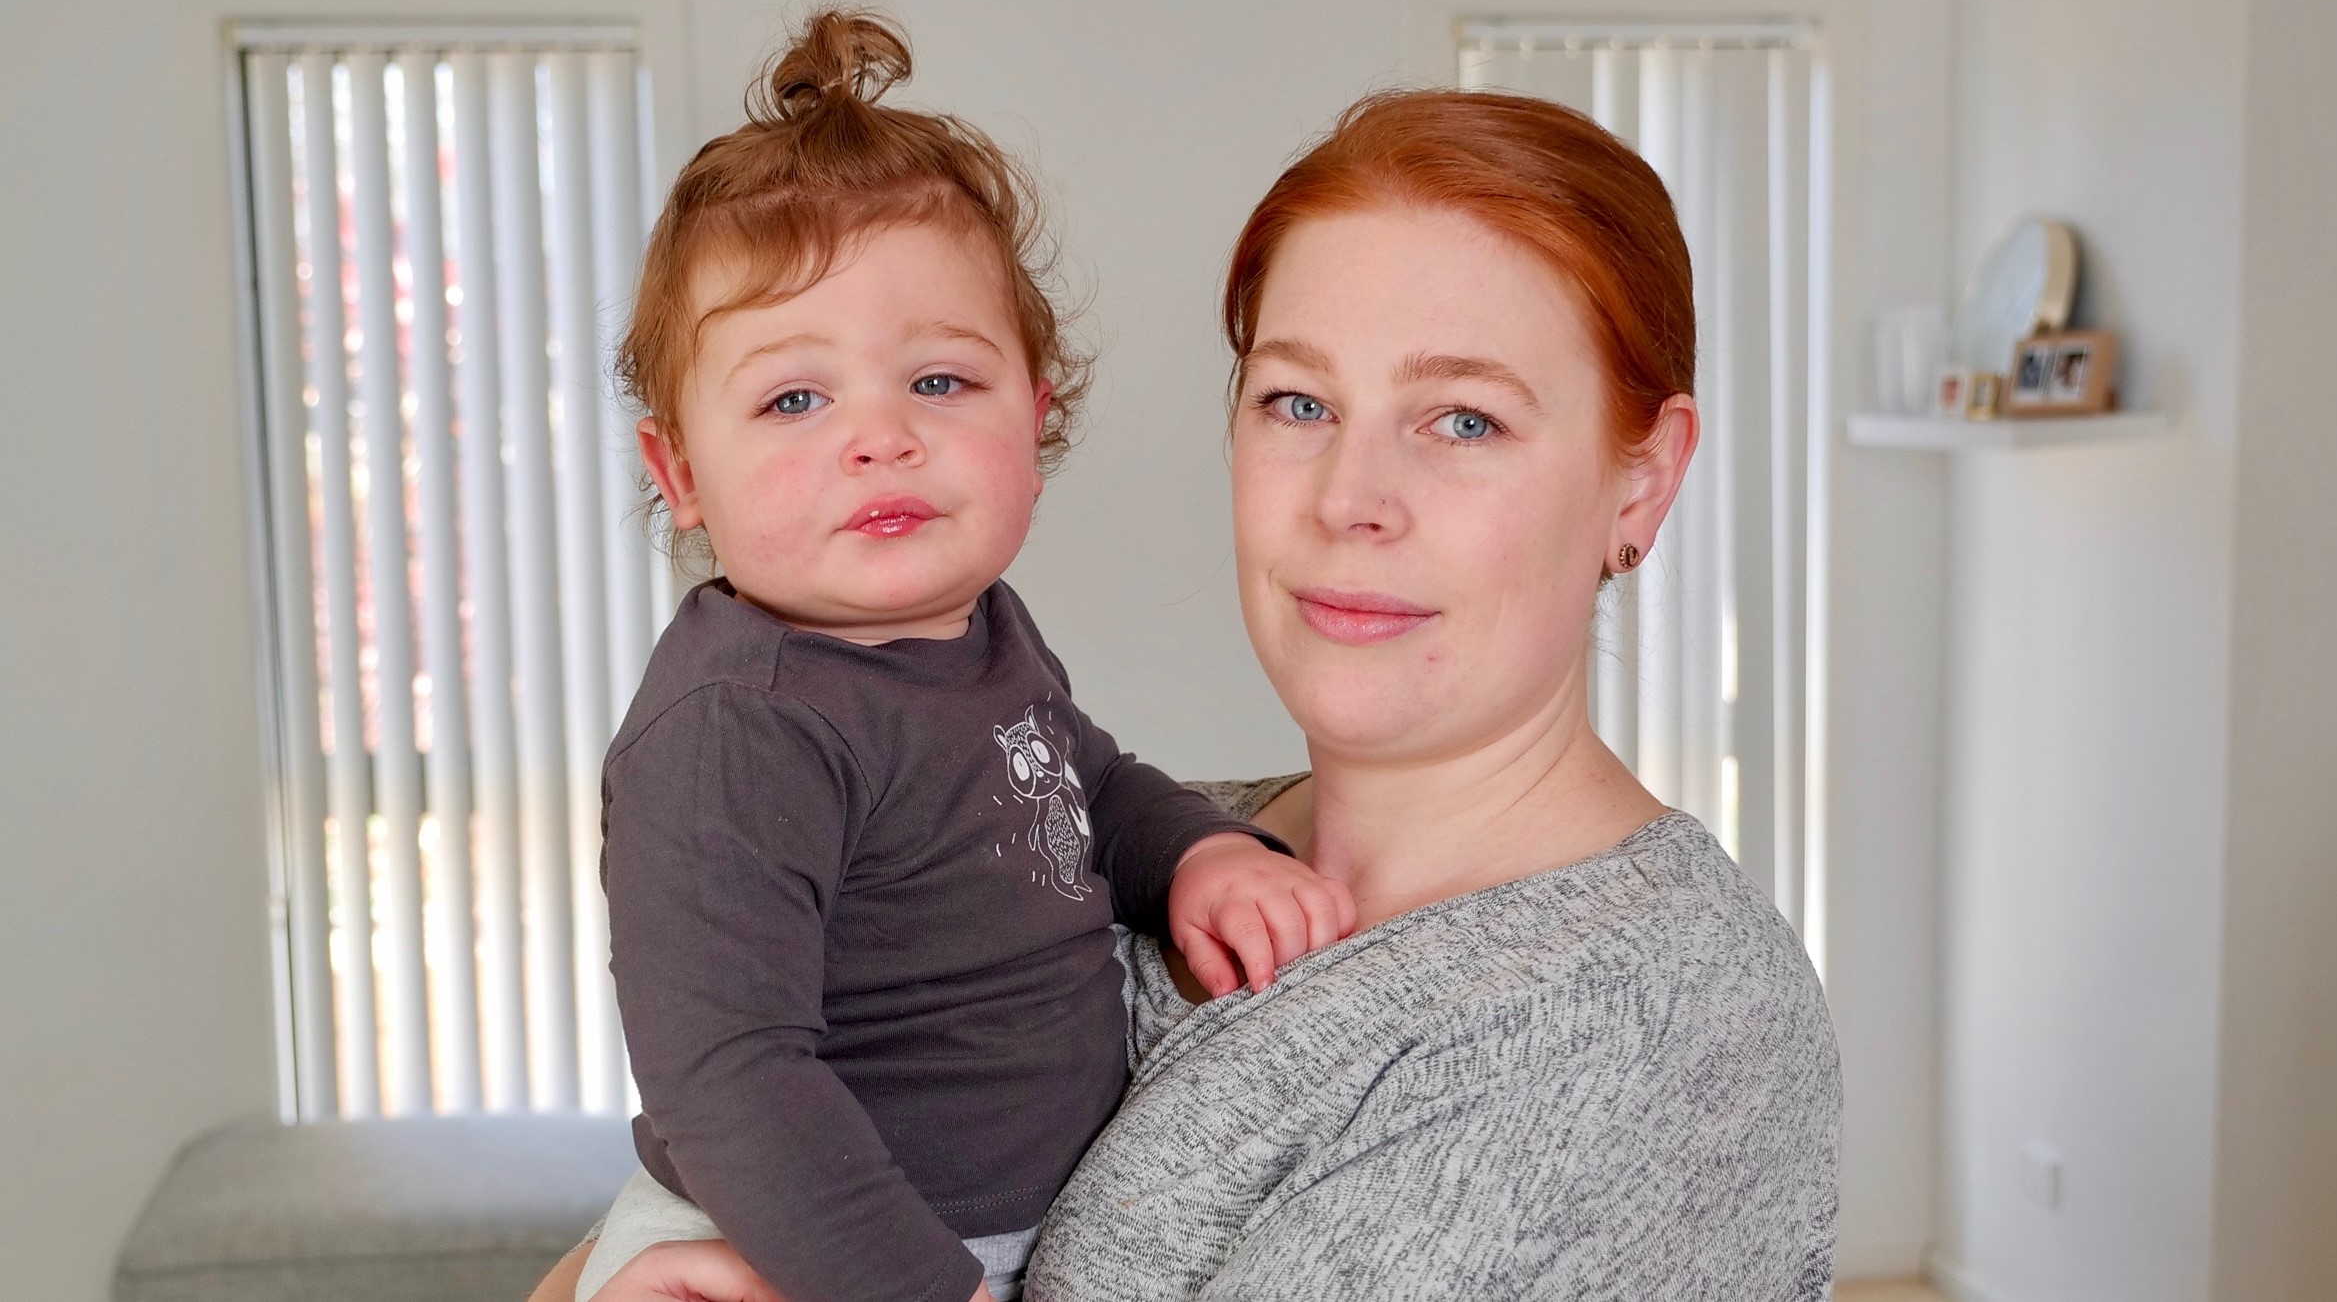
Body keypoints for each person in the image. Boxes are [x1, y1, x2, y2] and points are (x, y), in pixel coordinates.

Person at [544, 79, 1842, 1302]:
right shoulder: (1031, 820)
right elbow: (735, 1100)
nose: (1349, 500)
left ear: (1643, 477)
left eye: (1463, 420)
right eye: (1296, 401)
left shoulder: (1655, 1028)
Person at [582, 7, 1355, 1302]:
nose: (879, 435)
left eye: (939, 383)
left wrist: (1198, 856)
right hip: (813, 1253)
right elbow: (730, 1078)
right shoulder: (739, 728)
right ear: (680, 473)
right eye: (792, 399)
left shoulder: (980, 630)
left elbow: (1080, 785)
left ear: (1035, 415)